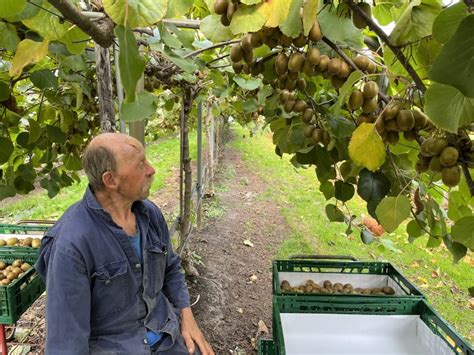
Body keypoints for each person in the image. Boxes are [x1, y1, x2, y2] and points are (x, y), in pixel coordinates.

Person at [35, 132, 214, 355]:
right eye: (140, 165)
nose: (151, 169)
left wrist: (187, 317)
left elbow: (170, 267)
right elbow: (67, 343)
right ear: (110, 180)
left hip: (166, 334)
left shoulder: (150, 214)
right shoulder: (71, 245)